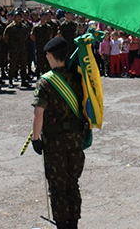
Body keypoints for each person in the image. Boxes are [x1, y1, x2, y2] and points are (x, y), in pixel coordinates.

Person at [31, 37, 85, 229]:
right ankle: (73, 224)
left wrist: (36, 139)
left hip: (55, 143)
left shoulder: (46, 82)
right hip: (76, 139)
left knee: (57, 187)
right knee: (72, 183)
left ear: (51, 56)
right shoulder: (78, 77)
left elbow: (39, 115)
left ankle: (62, 225)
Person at [31, 12, 54, 78]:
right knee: (39, 62)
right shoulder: (36, 27)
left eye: (45, 16)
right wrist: (38, 42)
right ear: (40, 17)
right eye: (42, 16)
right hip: (39, 47)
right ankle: (38, 76)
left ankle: (47, 77)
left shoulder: (48, 27)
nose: (44, 18)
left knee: (47, 63)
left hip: (47, 47)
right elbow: (32, 36)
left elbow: (51, 36)